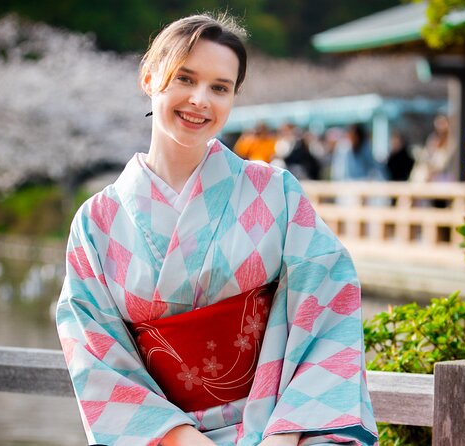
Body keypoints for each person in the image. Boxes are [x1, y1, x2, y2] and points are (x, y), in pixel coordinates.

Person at [56, 13, 378, 446]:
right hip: (164, 438)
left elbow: (326, 307)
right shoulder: (96, 223)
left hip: (282, 429)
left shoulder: (275, 192)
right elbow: (96, 357)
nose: (200, 100)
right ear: (150, 78)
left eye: (219, 88)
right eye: (185, 79)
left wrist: (283, 438)